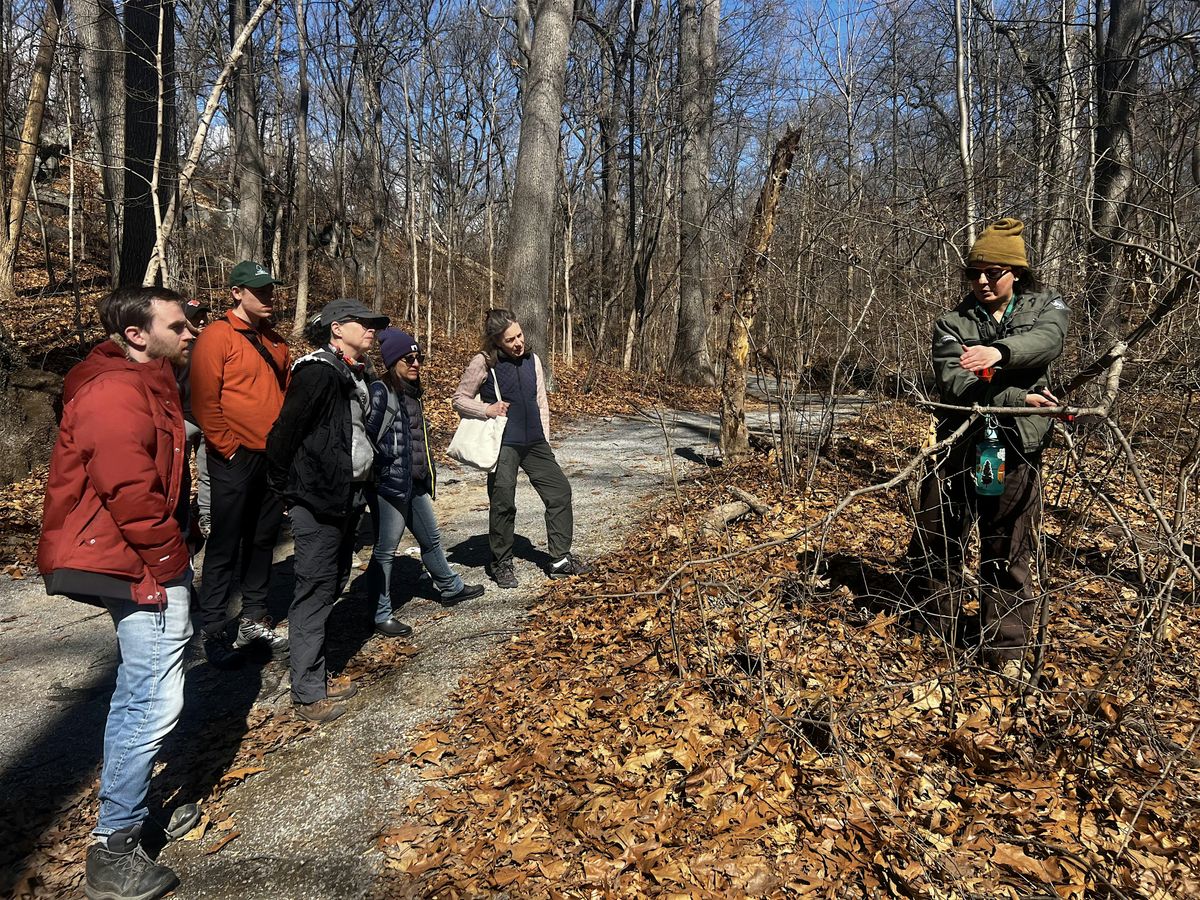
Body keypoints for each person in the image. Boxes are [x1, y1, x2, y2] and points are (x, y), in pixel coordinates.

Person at [38, 286, 199, 900]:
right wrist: (169, 565)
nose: (190, 334)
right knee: (151, 699)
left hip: (134, 558)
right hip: (133, 563)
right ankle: (115, 846)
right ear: (137, 333)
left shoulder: (142, 382)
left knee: (145, 691)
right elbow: (130, 491)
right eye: (179, 326)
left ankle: (133, 811)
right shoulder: (113, 392)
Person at [904, 218, 1070, 676]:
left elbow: (1048, 341)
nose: (981, 281)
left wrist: (998, 355)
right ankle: (935, 633)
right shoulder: (951, 323)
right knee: (940, 541)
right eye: (974, 272)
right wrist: (1018, 395)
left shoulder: (1045, 308)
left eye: (993, 272)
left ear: (1016, 272)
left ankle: (1006, 651)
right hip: (959, 445)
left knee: (1008, 550)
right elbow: (956, 382)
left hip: (1015, 447)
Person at [266, 298, 389, 723]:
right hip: (318, 497)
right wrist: (286, 489)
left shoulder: (354, 373)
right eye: (364, 323)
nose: (373, 330)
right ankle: (306, 692)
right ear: (337, 328)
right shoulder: (318, 372)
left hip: (348, 495)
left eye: (375, 325)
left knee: (334, 581)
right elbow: (284, 433)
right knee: (315, 587)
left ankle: (315, 676)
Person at [189, 260, 290, 667]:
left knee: (264, 538)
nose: (268, 297)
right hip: (233, 456)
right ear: (237, 293)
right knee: (226, 541)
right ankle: (212, 628)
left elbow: (283, 397)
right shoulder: (217, 336)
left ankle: (253, 616)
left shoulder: (277, 342)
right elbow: (203, 399)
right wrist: (227, 447)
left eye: (270, 290)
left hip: (271, 458)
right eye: (259, 291)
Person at [452, 308, 593, 588]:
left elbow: (541, 402)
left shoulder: (533, 360)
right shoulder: (483, 362)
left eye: (519, 336)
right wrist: (486, 408)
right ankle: (501, 563)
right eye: (510, 340)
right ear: (496, 342)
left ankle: (560, 559)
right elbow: (459, 399)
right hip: (504, 443)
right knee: (504, 502)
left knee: (559, 492)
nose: (518, 343)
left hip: (535, 442)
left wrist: (546, 440)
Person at [366, 329, 484, 636]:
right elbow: (368, 438)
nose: (416, 363)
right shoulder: (382, 391)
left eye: (419, 358)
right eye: (409, 359)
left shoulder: (411, 392)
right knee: (385, 551)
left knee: (431, 539)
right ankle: (380, 614)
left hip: (414, 480)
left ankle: (450, 587)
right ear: (394, 361)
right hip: (390, 484)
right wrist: (383, 471)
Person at [179, 298, 211, 547]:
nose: (201, 319)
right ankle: (180, 521)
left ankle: (207, 518)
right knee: (179, 474)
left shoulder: (212, 344)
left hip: (209, 418)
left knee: (209, 472)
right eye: (195, 316)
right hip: (183, 419)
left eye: (203, 315)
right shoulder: (176, 347)